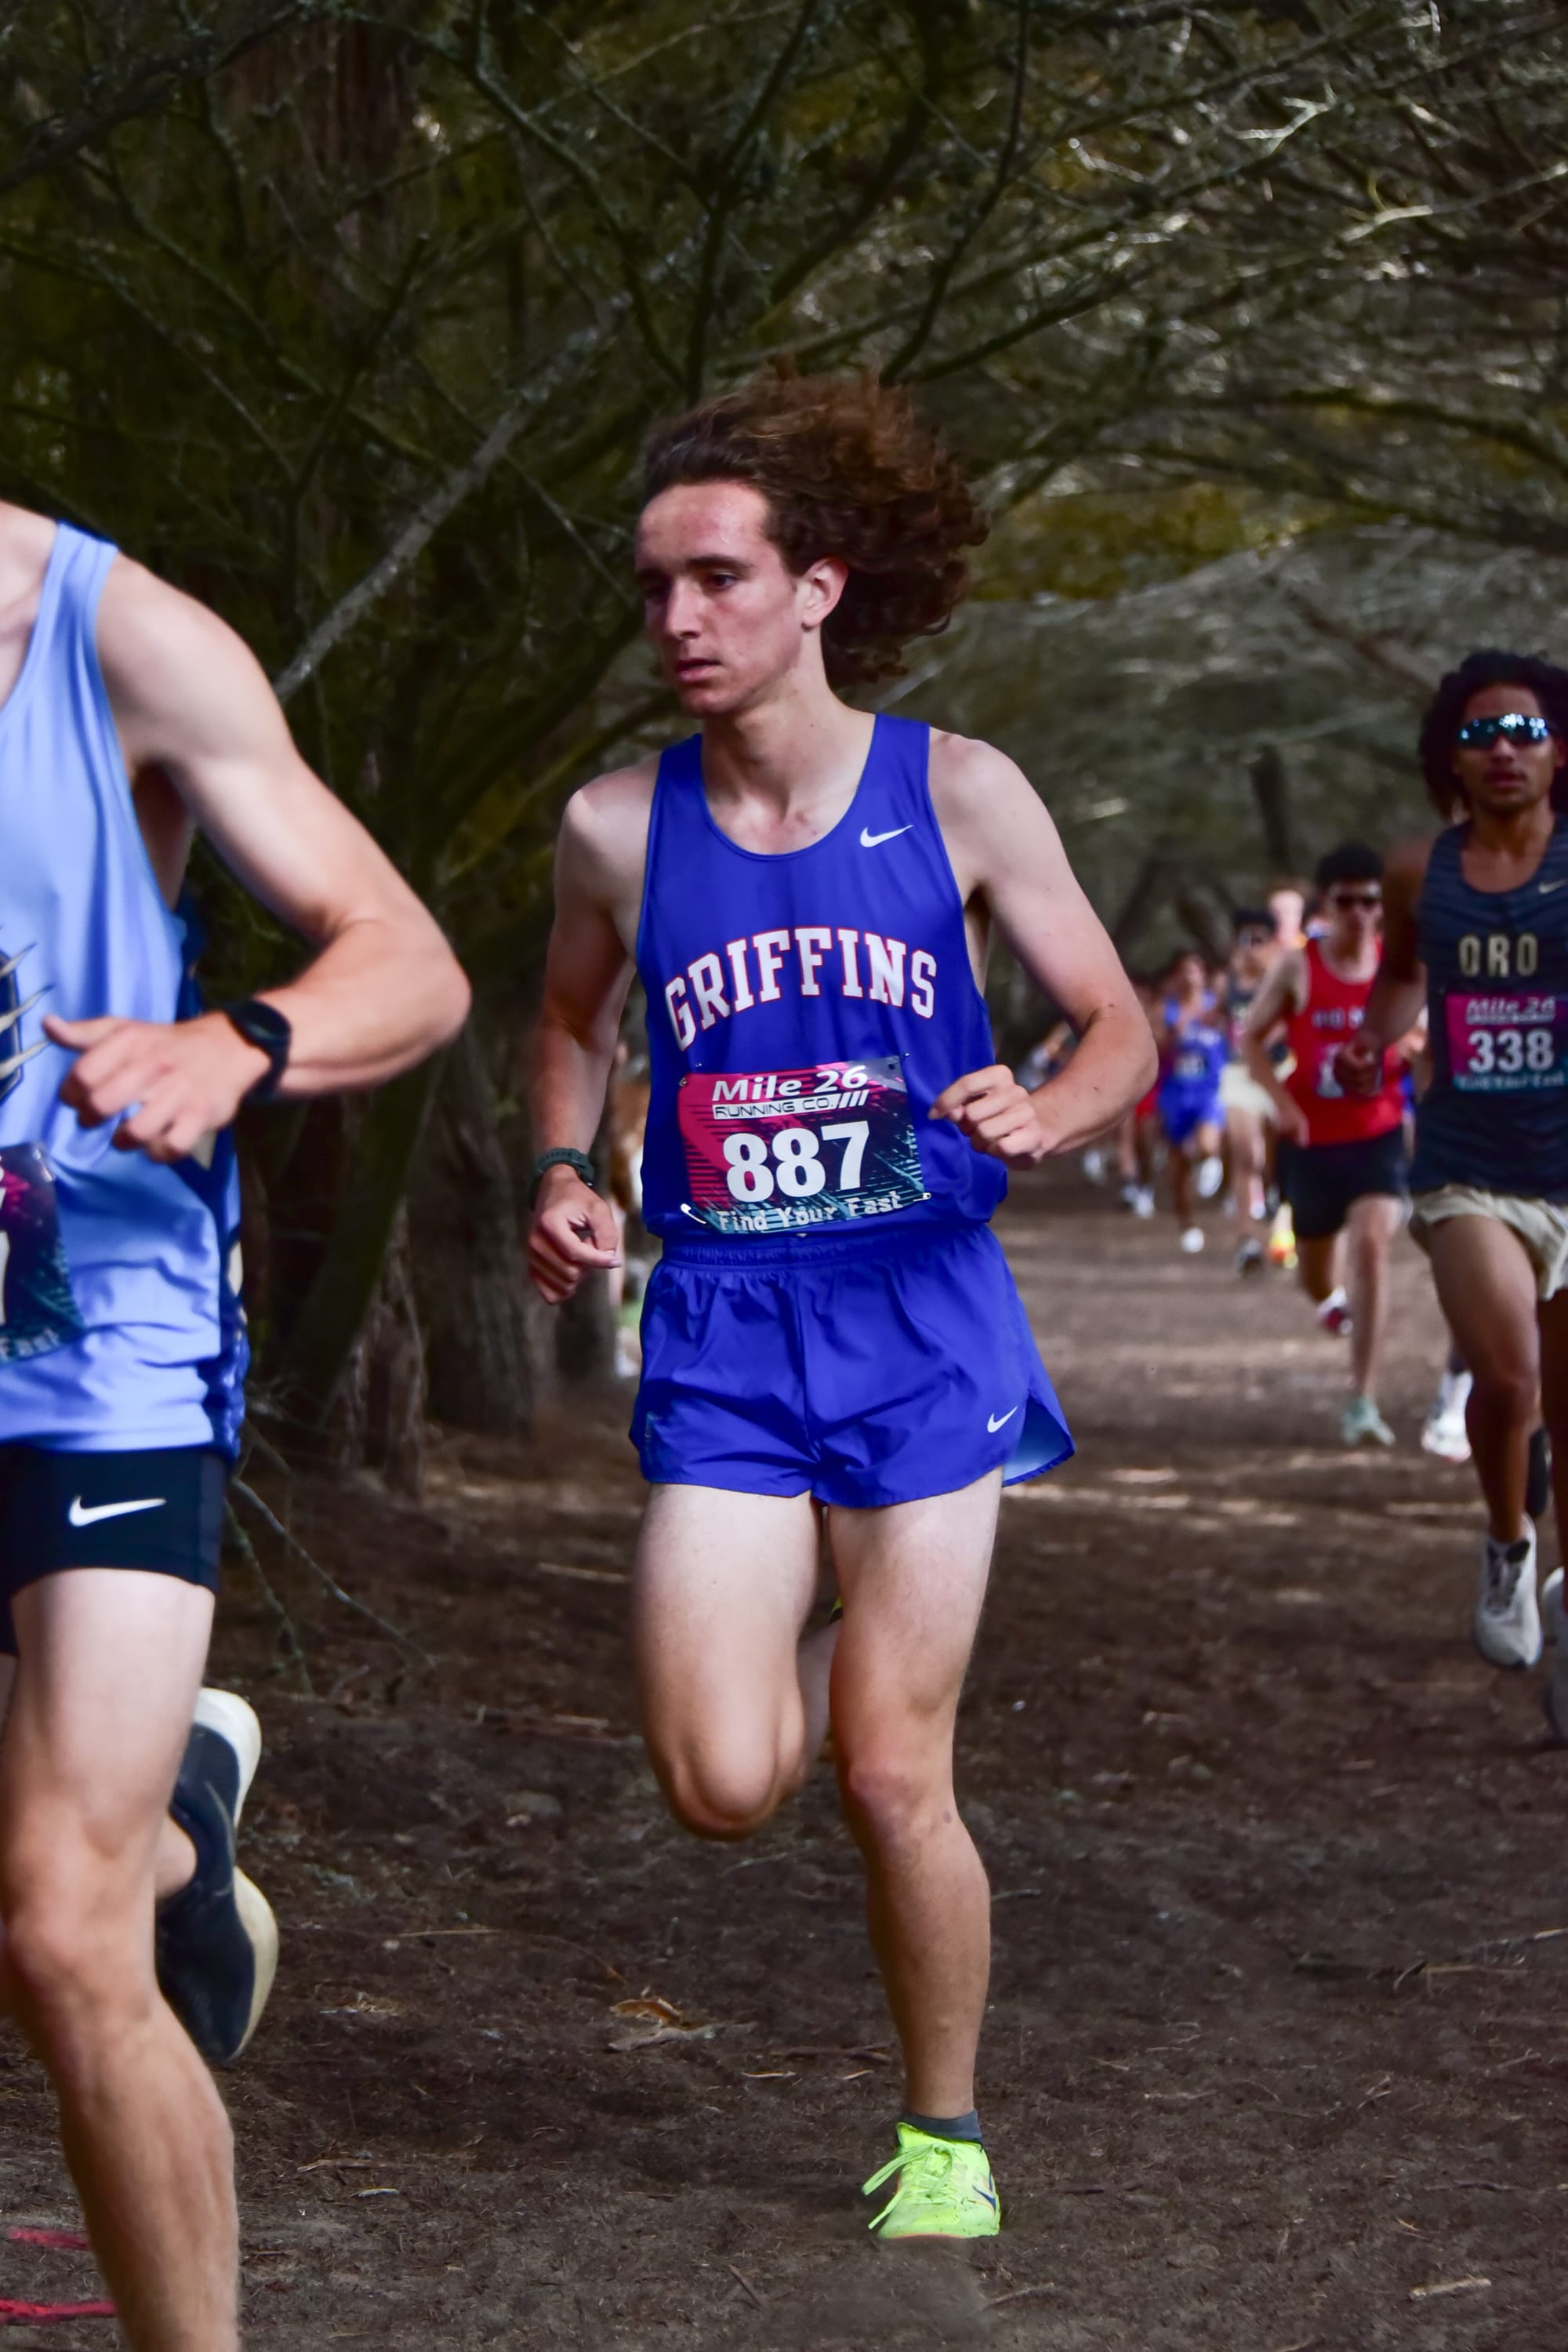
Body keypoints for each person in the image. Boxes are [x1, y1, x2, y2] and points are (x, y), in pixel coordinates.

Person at [525, 370, 1153, 2241]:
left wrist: (1048, 1106)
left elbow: (1115, 1024)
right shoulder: (614, 826)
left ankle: (942, 2134)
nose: (676, 618)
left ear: (816, 587)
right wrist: (563, 1168)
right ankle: (854, 1617)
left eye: (715, 577)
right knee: (722, 1782)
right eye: (653, 586)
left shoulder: (954, 789)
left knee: (889, 1767)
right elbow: (568, 1019)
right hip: (724, 1323)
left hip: (919, 1320)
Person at [0, 505, 469, 2350]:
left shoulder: (116, 640)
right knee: (75, 1861)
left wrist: (237, 1042)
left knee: (63, 1926)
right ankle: (182, 1829)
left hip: (97, 1333)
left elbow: (410, 960)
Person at [1338, 650, 1568, 1727]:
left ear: (1558, 750)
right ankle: (1507, 1544)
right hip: (1469, 1160)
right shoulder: (1414, 871)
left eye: (1524, 731)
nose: (1503, 751)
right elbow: (1400, 974)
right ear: (1451, 760)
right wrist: (1368, 1046)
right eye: (1480, 735)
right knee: (1508, 1377)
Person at [1242, 843, 1410, 1447]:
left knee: (1371, 1247)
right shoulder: (1298, 967)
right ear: (1327, 904)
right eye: (1347, 901)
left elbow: (1422, 1031)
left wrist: (1413, 1050)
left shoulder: (1398, 968)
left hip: (1377, 1136)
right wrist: (1283, 1107)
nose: (1360, 913)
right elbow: (1250, 1040)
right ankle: (1329, 1300)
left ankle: (1363, 1398)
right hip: (1311, 1141)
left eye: (1371, 901)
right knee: (1317, 1278)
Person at [1220, 907, 1283, 1273]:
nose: (1253, 946)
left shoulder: (1284, 974)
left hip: (1280, 1071)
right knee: (1245, 1153)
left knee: (1279, 1158)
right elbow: (1217, 1018)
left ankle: (1279, 1217)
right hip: (1239, 1073)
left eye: (1260, 939)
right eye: (1246, 938)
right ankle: (1246, 1238)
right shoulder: (1227, 980)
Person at [1155, 949, 1227, 1253]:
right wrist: (1178, 1029)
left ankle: (1210, 1160)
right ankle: (1187, 1222)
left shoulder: (1216, 1007)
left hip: (1208, 1092)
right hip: (1175, 1094)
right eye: (1185, 970)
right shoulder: (1167, 1010)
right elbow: (1157, 1048)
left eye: (1196, 970)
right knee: (1179, 1164)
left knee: (1208, 1140)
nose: (1190, 976)